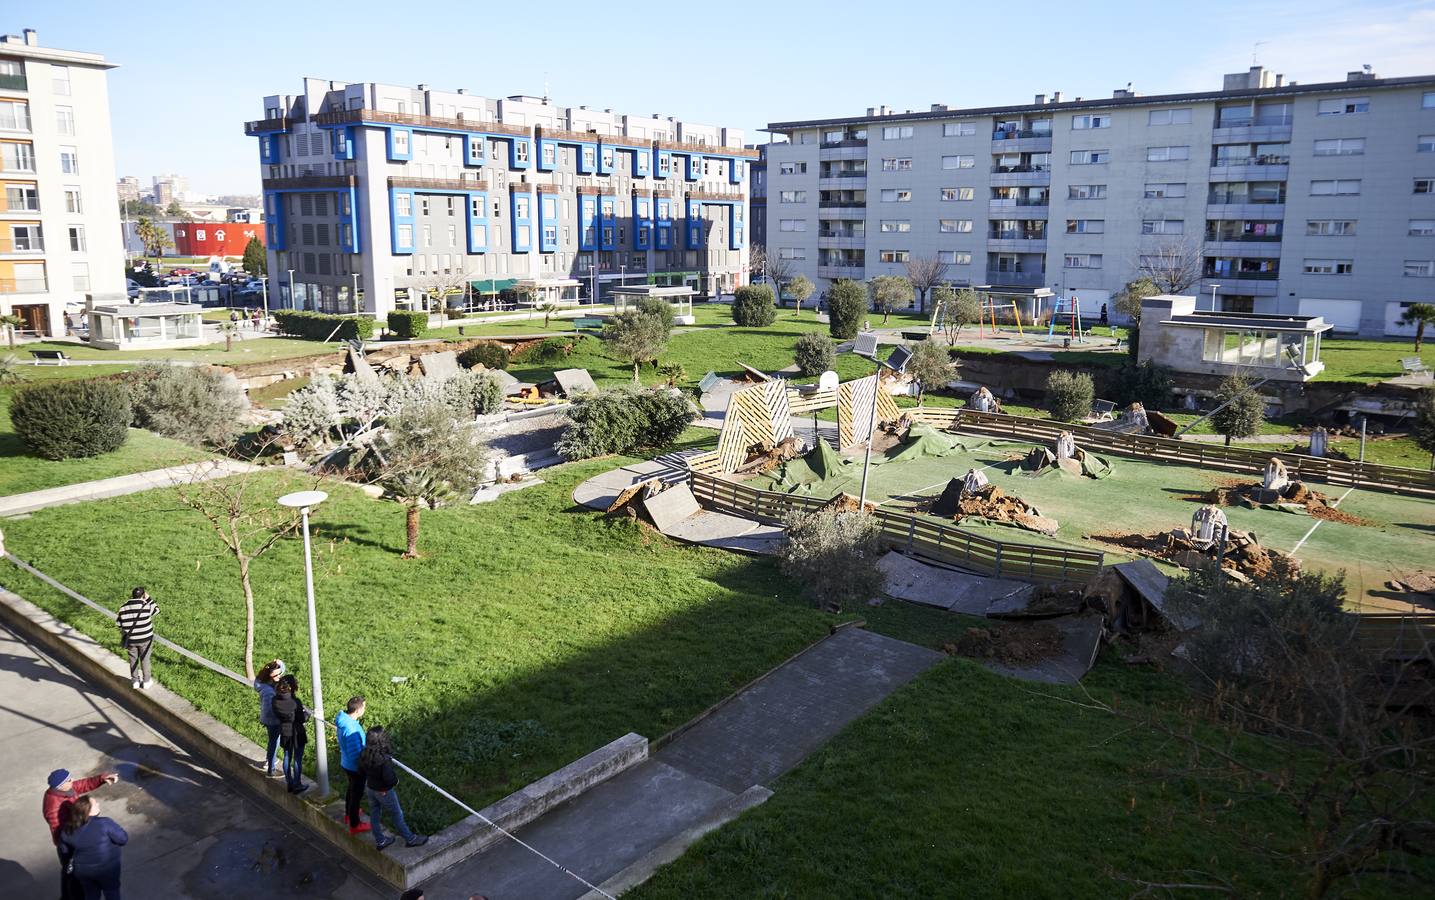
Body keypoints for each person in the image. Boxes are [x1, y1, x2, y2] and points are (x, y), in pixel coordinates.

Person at [43, 768, 118, 900]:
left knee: (69, 875)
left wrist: (101, 779)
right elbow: (58, 830)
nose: (73, 780)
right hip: (69, 846)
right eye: (69, 780)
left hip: (73, 839)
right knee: (74, 878)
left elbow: (82, 784)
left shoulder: (64, 790)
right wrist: (79, 839)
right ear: (61, 785)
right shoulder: (54, 805)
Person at [359, 726, 428, 850]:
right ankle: (410, 839)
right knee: (397, 814)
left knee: (374, 814)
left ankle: (380, 841)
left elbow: (362, 769)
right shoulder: (383, 760)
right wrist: (396, 782)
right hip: (383, 791)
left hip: (370, 788)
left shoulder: (364, 753)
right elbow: (390, 779)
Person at [59, 796, 127, 900]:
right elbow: (123, 839)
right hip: (107, 870)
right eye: (95, 803)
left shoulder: (67, 830)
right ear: (88, 811)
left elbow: (65, 852)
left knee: (91, 895)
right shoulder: (104, 823)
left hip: (83, 871)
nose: (98, 804)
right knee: (112, 893)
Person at [335, 696, 371, 834]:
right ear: (359, 709)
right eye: (364, 707)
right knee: (356, 794)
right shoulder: (351, 729)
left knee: (351, 789)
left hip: (346, 763)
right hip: (355, 767)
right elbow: (356, 754)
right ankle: (354, 824)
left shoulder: (344, 721)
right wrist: (364, 766)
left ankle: (349, 813)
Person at [271, 673, 309, 794]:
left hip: (284, 731)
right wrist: (307, 714)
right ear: (292, 687)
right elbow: (302, 718)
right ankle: (297, 784)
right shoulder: (295, 702)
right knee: (297, 759)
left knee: (287, 756)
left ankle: (290, 783)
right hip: (298, 732)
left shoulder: (275, 700)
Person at [115, 588, 158, 690]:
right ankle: (146, 681)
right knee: (145, 659)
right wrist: (148, 599)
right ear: (143, 596)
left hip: (131, 640)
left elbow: (119, 624)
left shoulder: (123, 608)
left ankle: (135, 681)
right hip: (146, 639)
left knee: (133, 660)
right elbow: (157, 610)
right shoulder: (146, 606)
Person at [252, 659, 285, 777]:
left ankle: (270, 760)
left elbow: (281, 670)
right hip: (272, 720)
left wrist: (280, 663)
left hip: (271, 719)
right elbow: (270, 711)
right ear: (271, 676)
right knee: (274, 742)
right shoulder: (268, 692)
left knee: (274, 741)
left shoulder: (262, 681)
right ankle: (271, 769)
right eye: (277, 675)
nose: (280, 676)